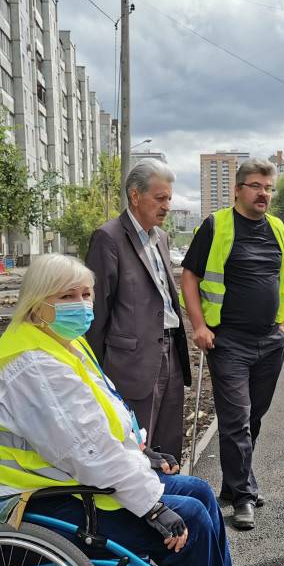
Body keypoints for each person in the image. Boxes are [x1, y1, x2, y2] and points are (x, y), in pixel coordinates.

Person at [0, 254, 279, 566]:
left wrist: (142, 453)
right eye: (68, 295)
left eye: (86, 294)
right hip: (46, 501)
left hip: (73, 484)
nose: (82, 304)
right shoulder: (34, 365)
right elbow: (88, 453)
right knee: (189, 517)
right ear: (39, 301)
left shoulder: (56, 343)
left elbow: (102, 425)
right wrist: (152, 507)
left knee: (200, 492)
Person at [180, 158, 284, 531]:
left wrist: (281, 321)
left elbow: (282, 276)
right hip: (229, 341)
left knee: (252, 418)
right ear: (238, 189)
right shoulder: (216, 225)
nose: (264, 194)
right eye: (256, 186)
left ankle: (233, 484)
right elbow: (190, 276)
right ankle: (243, 496)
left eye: (268, 187)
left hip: (270, 341)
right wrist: (199, 325)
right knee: (235, 421)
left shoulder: (276, 227)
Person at [85, 158, 191, 460]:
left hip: (170, 352)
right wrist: (95, 374)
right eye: (160, 198)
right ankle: (139, 507)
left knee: (168, 442)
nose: (167, 205)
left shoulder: (160, 237)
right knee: (135, 446)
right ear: (135, 196)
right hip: (131, 362)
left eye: (169, 198)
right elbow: (96, 311)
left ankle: (168, 499)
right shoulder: (109, 238)